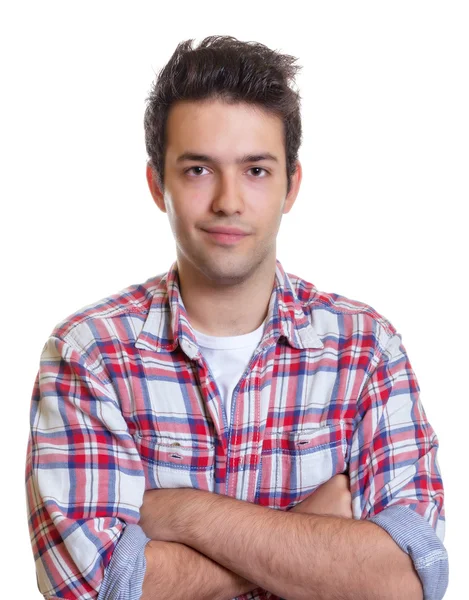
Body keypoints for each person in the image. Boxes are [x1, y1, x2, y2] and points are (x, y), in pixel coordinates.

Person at [25, 35, 448, 600]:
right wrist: (313, 537)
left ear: (291, 186)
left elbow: (409, 579)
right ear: (158, 186)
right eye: (199, 169)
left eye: (256, 170)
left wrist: (180, 515)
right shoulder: (89, 353)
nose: (228, 200)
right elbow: (91, 585)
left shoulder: (366, 349)